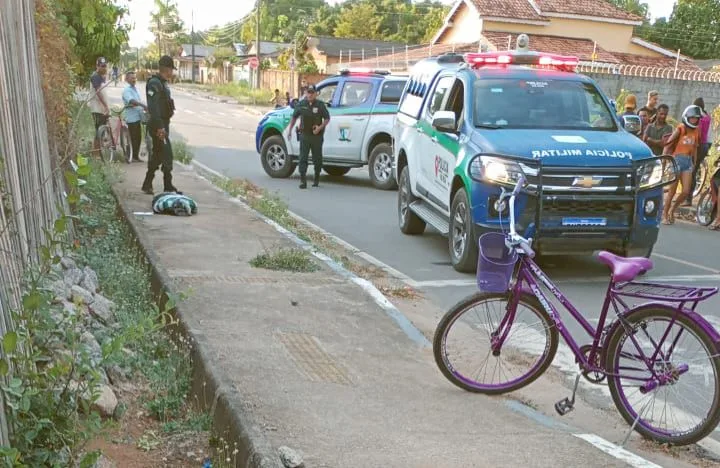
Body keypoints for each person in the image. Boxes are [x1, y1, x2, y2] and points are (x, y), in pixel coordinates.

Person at [141, 55, 179, 195]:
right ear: (167, 69)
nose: (172, 73)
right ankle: (167, 185)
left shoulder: (162, 83)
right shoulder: (154, 83)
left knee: (157, 155)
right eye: (171, 69)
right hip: (158, 125)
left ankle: (147, 184)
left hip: (163, 124)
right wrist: (160, 128)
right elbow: (153, 107)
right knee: (167, 154)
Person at [661, 105, 703, 225]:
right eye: (692, 118)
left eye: (696, 118)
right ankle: (665, 215)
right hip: (677, 160)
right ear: (687, 117)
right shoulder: (681, 128)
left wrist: (694, 162)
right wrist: (665, 161)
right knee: (672, 191)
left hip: (688, 162)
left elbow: (695, 147)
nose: (694, 120)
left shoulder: (696, 131)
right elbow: (668, 144)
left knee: (685, 191)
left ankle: (672, 210)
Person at [286, 84, 330, 189]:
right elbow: (294, 117)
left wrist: (320, 127)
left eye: (312, 92)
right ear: (306, 93)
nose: (310, 94)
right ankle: (303, 180)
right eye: (308, 92)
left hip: (316, 136)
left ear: (315, 94)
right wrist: (290, 130)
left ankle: (316, 178)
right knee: (303, 158)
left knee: (317, 158)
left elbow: (327, 118)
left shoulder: (320, 105)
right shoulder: (301, 104)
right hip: (304, 135)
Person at [686, 97, 713, 206]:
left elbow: (698, 134)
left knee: (691, 171)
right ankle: (687, 197)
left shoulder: (699, 118)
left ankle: (688, 199)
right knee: (694, 169)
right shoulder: (707, 116)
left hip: (698, 145)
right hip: (706, 145)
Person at [122, 71, 147, 163]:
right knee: (132, 138)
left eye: (134, 78)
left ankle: (135, 156)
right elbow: (132, 101)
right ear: (127, 79)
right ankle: (130, 156)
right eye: (132, 78)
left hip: (137, 117)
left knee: (138, 138)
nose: (134, 80)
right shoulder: (127, 90)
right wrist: (143, 105)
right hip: (131, 118)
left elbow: (137, 101)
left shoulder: (134, 89)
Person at [89, 57, 110, 156]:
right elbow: (98, 92)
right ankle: (95, 154)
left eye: (105, 66)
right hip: (97, 109)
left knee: (101, 132)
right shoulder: (95, 76)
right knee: (98, 131)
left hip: (101, 109)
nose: (104, 68)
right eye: (102, 66)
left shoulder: (100, 77)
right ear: (97, 66)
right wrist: (105, 105)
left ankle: (98, 154)